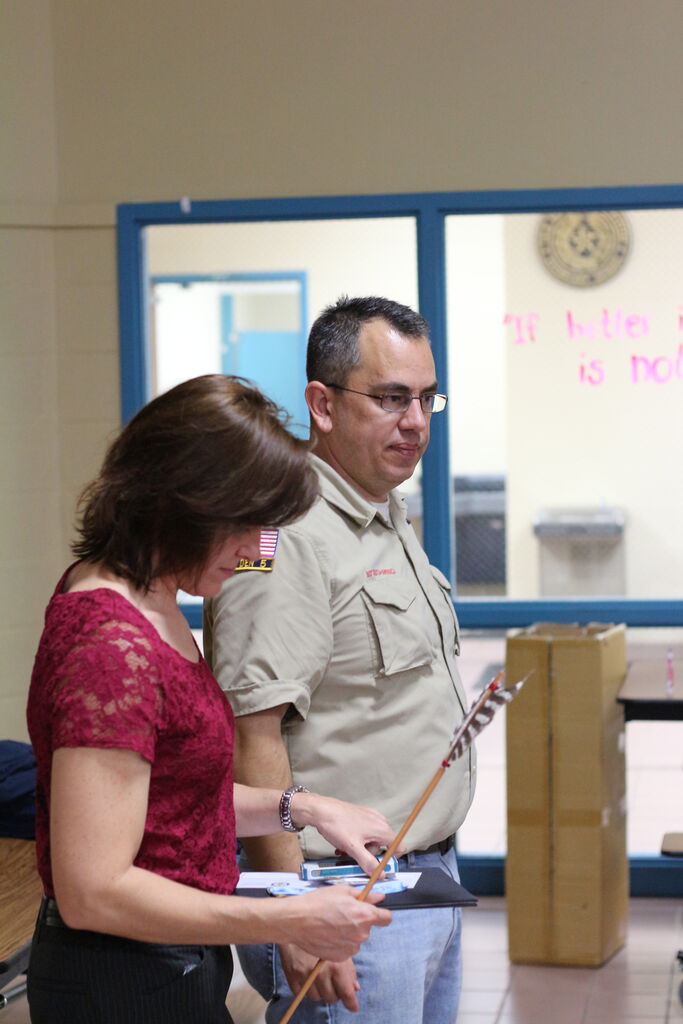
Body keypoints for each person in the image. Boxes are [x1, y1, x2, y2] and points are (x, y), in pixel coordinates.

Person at [25, 374, 395, 1024]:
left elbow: (168, 798)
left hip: (171, 963)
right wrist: (285, 917)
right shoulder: (111, 647)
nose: (258, 553)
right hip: (121, 978)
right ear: (183, 504)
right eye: (247, 529)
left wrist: (297, 808)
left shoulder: (156, 596)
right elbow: (93, 890)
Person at [204, 297, 475, 1024]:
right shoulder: (285, 534)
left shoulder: (383, 514)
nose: (414, 421)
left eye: (425, 398)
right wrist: (293, 914)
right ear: (321, 405)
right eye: (390, 398)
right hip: (335, 895)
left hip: (421, 879)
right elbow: (249, 735)